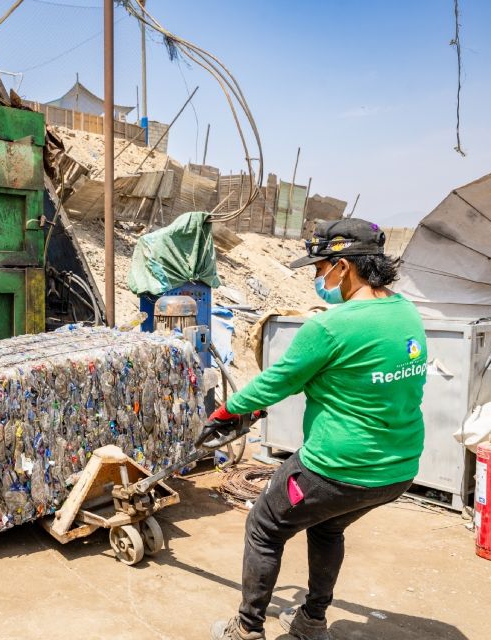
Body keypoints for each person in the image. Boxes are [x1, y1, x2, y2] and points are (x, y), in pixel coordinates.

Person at [211, 219, 428, 640]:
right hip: (397, 470)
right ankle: (311, 622)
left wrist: (228, 410)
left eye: (319, 268)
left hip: (338, 468)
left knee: (265, 527)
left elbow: (279, 381)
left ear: (343, 266)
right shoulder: (406, 313)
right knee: (328, 526)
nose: (317, 278)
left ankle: (247, 629)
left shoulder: (329, 327)